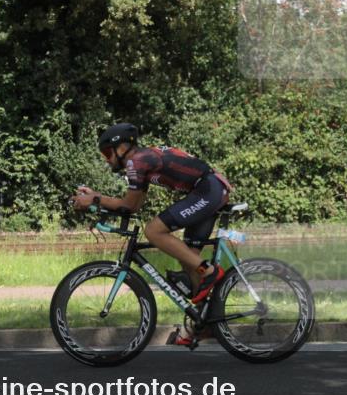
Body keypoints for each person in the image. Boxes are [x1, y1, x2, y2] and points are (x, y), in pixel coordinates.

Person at [70, 123, 231, 303]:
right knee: (189, 261)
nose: (106, 159)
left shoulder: (137, 161)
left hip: (208, 190)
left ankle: (210, 272)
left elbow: (129, 203)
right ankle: (205, 323)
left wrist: (95, 199)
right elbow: (133, 206)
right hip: (208, 189)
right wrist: (97, 200)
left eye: (107, 153)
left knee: (153, 231)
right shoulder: (143, 161)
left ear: (122, 147)